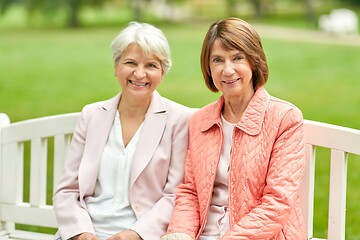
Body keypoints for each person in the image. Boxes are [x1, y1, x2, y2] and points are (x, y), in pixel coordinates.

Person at [161, 17, 306, 240]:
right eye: (218, 60)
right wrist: (179, 233)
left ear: (254, 62)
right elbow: (190, 192)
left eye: (237, 58)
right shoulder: (200, 120)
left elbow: (278, 202)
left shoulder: (284, 118)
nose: (227, 70)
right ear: (208, 68)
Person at [53, 21, 193, 240]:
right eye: (130, 62)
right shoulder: (92, 115)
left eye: (151, 65)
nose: (139, 74)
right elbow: (68, 190)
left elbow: (175, 194)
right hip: (85, 232)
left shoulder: (179, 120)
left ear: (163, 72)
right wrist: (82, 234)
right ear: (116, 67)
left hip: (142, 234)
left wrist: (133, 234)